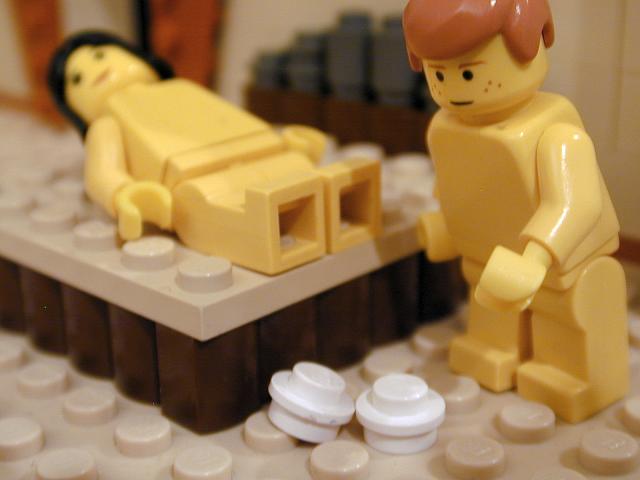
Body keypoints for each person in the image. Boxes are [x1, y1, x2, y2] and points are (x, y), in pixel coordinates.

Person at [403, 0, 628, 422]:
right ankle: (497, 350)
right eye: (439, 74)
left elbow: (576, 204)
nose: (455, 87)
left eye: (468, 72)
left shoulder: (554, 132)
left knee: (565, 310)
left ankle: (567, 371)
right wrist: (448, 225)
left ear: (530, 46)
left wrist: (536, 257)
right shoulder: (446, 129)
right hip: (491, 254)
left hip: (564, 260)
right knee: (489, 304)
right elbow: (458, 186)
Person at [48, 32, 380, 275]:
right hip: (195, 184)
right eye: (76, 79)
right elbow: (101, 172)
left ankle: (341, 205)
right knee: (246, 209)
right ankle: (291, 230)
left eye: (100, 55)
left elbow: (230, 119)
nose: (96, 71)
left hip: (264, 150)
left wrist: (285, 142)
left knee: (307, 176)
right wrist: (125, 192)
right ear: (74, 109)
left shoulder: (183, 89)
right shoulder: (107, 124)